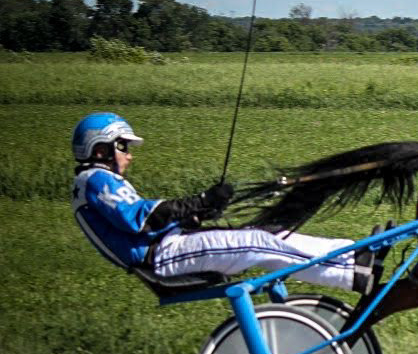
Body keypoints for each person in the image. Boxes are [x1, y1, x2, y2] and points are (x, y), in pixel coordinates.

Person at [71, 112, 381, 294]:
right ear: (100, 150)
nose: (129, 154)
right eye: (122, 146)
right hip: (164, 257)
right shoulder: (94, 180)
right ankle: (350, 273)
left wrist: (201, 212)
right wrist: (201, 201)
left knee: (269, 234)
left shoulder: (95, 181)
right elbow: (142, 219)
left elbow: (148, 223)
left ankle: (354, 254)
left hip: (170, 248)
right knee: (258, 242)